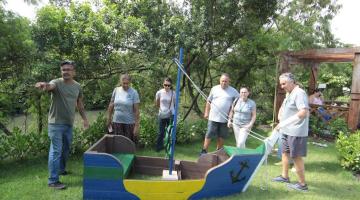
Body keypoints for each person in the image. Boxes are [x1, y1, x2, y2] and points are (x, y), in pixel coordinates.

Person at [35, 60, 89, 190]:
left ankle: (61, 169)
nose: (66, 72)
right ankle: (53, 181)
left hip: (68, 124)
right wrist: (44, 85)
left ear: (73, 72)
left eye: (68, 69)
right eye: (64, 70)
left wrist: (85, 119)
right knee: (56, 151)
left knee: (65, 149)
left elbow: (79, 104)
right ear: (61, 71)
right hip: (55, 124)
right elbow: (49, 86)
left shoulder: (77, 86)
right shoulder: (56, 83)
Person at [272, 72, 309, 192]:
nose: (282, 86)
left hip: (296, 131)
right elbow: (285, 107)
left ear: (292, 81)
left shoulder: (299, 93)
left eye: (284, 83)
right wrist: (280, 115)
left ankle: (302, 185)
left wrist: (283, 123)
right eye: (281, 84)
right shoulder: (289, 93)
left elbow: (303, 112)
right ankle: (284, 176)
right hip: (286, 130)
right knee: (285, 153)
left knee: (296, 157)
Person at [200, 73, 239, 154]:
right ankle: (204, 150)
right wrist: (206, 112)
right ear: (220, 81)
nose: (224, 83)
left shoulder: (234, 91)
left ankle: (218, 151)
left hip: (225, 118)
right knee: (209, 133)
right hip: (213, 117)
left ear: (229, 82)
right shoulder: (214, 89)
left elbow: (239, 101)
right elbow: (208, 101)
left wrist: (233, 114)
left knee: (222, 135)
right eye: (222, 81)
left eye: (225, 81)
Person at [107, 74, 140, 142]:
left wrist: (136, 126)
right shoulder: (116, 90)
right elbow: (111, 105)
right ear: (120, 82)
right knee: (117, 144)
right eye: (124, 83)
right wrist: (109, 118)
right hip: (116, 122)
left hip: (129, 123)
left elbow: (136, 111)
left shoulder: (134, 92)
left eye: (127, 83)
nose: (125, 85)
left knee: (128, 144)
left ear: (130, 82)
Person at [155, 77, 175, 152]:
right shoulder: (159, 92)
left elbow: (175, 104)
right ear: (163, 84)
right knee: (161, 132)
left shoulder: (173, 93)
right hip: (162, 114)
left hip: (171, 114)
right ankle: (158, 147)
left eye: (168, 85)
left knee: (170, 132)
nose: (167, 87)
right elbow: (157, 102)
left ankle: (169, 147)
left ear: (171, 85)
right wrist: (161, 109)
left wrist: (171, 111)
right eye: (165, 85)